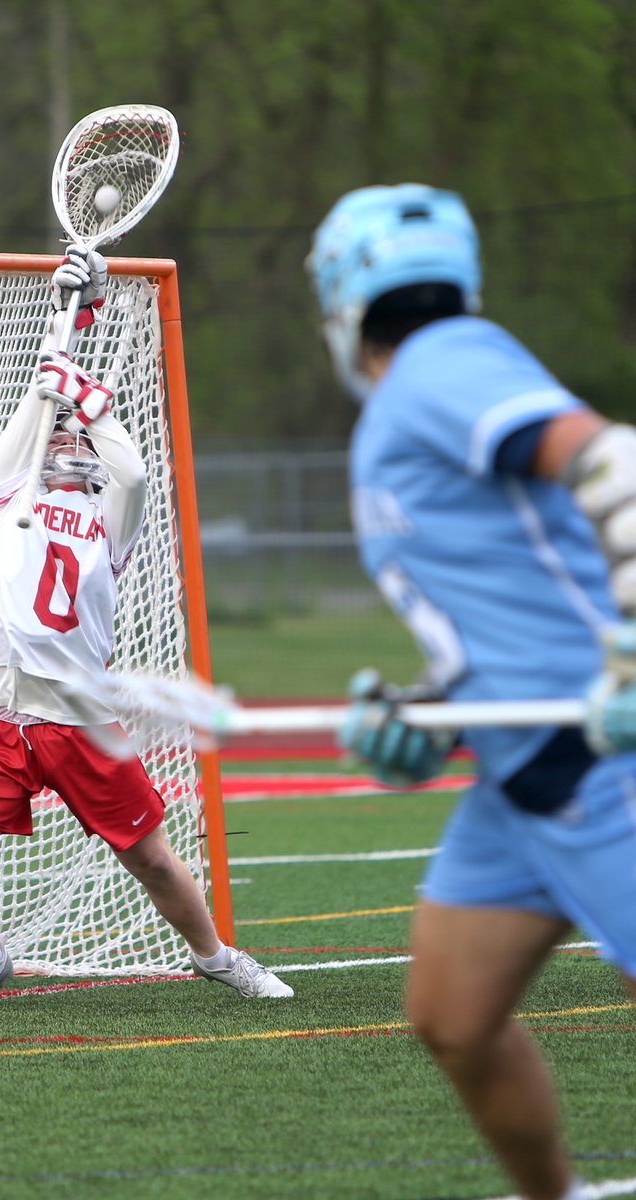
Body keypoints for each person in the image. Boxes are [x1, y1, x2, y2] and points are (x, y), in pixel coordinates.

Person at [305, 182, 636, 1200]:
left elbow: (614, 467)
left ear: (337, 300)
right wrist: (428, 717)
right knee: (451, 1015)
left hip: (602, 763)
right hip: (519, 776)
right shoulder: (420, 397)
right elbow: (502, 601)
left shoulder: (443, 362)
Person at [0, 246, 293, 1009]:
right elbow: (37, 404)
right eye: (55, 435)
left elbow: (133, 473)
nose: (63, 442)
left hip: (81, 720)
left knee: (154, 862)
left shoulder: (109, 520)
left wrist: (93, 406)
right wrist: (66, 331)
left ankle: (217, 956)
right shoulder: (3, 496)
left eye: (74, 439)